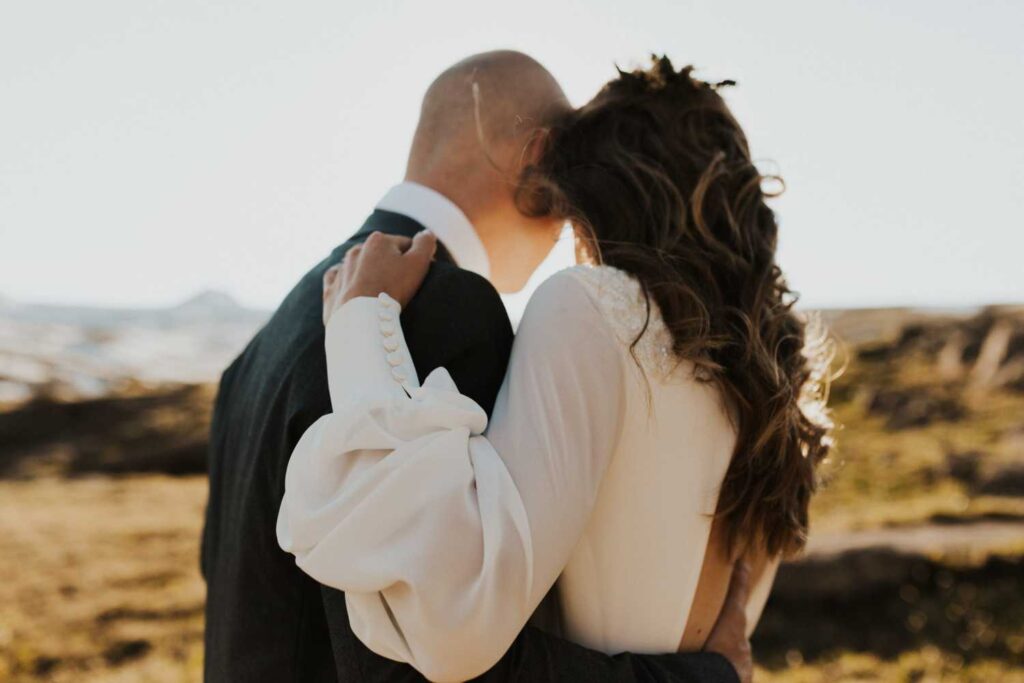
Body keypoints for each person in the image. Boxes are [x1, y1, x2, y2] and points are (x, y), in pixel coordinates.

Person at [203, 50, 752, 683]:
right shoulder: (444, 310)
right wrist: (707, 677)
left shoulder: (262, 347)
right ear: (539, 160)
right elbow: (437, 656)